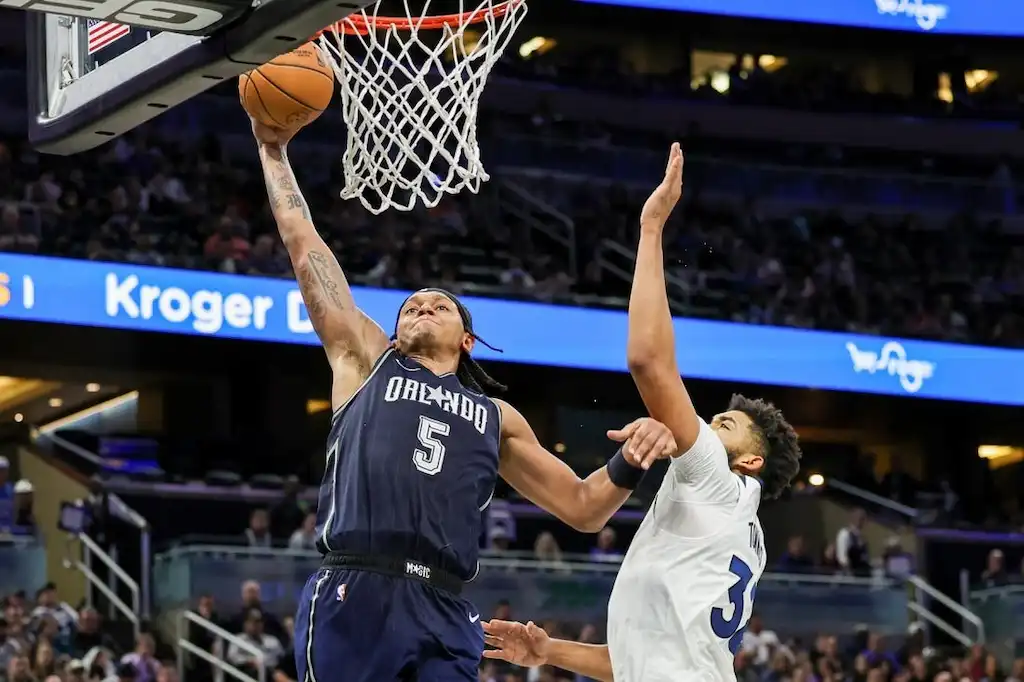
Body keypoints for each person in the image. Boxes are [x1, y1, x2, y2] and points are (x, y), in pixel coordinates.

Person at [248, 118, 680, 682]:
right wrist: (273, 150)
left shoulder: (495, 417)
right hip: (357, 587)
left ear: (468, 340)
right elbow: (303, 245)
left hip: (445, 605)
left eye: (439, 305)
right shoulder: (364, 361)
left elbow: (581, 506)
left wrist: (633, 458)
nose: (421, 307)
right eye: (411, 305)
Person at [483, 144, 803, 682]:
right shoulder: (735, 529)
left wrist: (651, 227)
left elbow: (649, 362)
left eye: (722, 425)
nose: (702, 427)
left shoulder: (716, 482)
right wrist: (548, 653)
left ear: (748, 462)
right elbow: (638, 663)